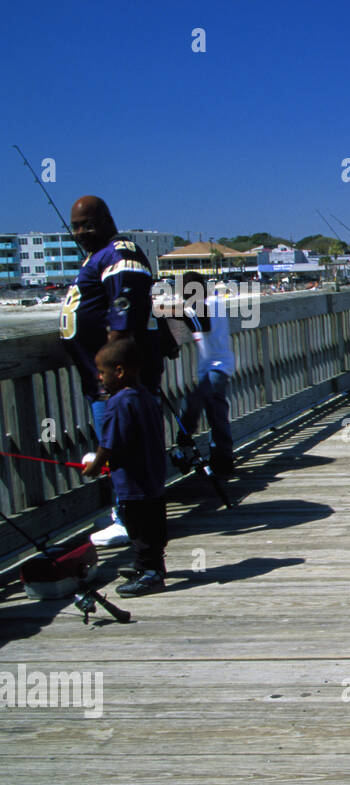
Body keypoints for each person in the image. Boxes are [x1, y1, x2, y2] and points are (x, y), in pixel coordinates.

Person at [59, 196, 166, 547]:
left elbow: (123, 314)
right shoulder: (99, 256)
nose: (80, 232)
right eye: (76, 226)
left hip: (117, 385)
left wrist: (111, 369)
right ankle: (129, 517)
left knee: (123, 452)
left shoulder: (120, 253)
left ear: (106, 220)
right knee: (120, 449)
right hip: (104, 381)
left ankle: (129, 523)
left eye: (87, 224)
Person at [82, 338, 167, 597]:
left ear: (119, 371)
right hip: (153, 478)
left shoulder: (118, 403)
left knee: (139, 530)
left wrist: (94, 467)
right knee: (153, 528)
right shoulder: (146, 396)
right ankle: (148, 566)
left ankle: (150, 574)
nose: (98, 377)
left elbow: (108, 444)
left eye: (102, 372)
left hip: (133, 483)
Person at [177, 272, 236, 476]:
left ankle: (184, 439)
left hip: (218, 367)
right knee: (216, 412)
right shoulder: (200, 306)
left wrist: (167, 311)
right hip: (210, 368)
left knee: (194, 403)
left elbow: (204, 323)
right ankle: (222, 458)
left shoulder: (213, 302)